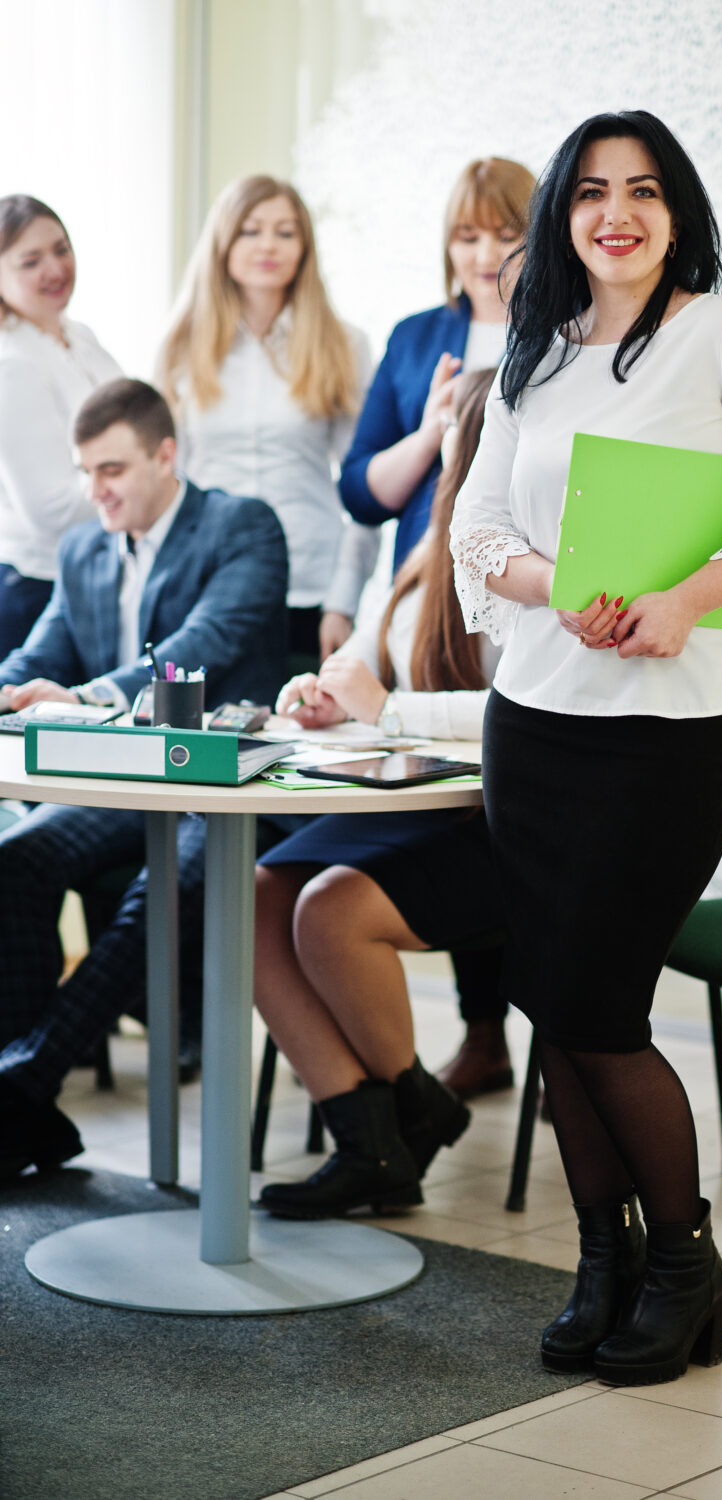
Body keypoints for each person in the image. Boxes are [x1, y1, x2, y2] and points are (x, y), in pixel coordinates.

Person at [450, 110, 722, 1387]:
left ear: (676, 212)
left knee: (600, 1012)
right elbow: (476, 533)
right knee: (555, 1011)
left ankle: (683, 1265)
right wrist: (549, 587)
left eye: (644, 191)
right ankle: (601, 1258)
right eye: (591, 193)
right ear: (563, 216)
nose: (616, 213)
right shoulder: (534, 350)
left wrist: (683, 597)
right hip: (538, 721)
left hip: (666, 731)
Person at [0, 378, 288, 1180]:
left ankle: (23, 1081)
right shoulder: (84, 548)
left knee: (164, 885)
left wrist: (89, 695)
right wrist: (8, 688)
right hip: (124, 785)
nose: (96, 491)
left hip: (223, 789)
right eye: (86, 471)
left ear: (167, 454)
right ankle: (23, 1103)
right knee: (16, 861)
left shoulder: (242, 526)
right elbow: (39, 655)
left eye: (113, 470)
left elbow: (204, 643)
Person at [254, 369, 503, 1219]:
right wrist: (323, 696)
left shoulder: (538, 569)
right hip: (408, 810)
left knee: (328, 911)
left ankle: (396, 1124)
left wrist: (390, 707)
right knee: (248, 897)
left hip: (495, 827)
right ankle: (383, 1135)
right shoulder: (424, 557)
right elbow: (358, 668)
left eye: (454, 447)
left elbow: (529, 712)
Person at [339, 157, 535, 1097]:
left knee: (496, 796)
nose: (486, 252)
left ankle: (550, 1043)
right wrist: (431, 431)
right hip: (427, 588)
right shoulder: (420, 338)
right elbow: (361, 489)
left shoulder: (568, 339)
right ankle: (481, 1036)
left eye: (506, 233)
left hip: (517, 588)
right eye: (468, 235)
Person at [158, 174, 377, 667]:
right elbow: (169, 485)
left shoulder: (345, 344)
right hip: (205, 591)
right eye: (251, 230)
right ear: (223, 242)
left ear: (304, 247)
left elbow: (362, 489)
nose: (268, 246)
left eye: (285, 231)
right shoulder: (180, 348)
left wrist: (343, 601)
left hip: (310, 589)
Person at [0, 195, 121, 656]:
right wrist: (148, 495)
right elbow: (50, 509)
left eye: (61, 249)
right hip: (36, 587)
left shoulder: (80, 336)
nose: (55, 269)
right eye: (31, 261)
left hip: (87, 574)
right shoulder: (13, 363)